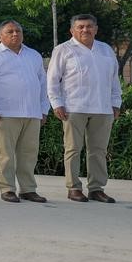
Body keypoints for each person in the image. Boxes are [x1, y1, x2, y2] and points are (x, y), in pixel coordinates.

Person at [47, 14, 122, 203]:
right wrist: (56, 103)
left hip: (103, 108)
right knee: (73, 149)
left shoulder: (105, 50)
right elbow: (53, 79)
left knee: (98, 150)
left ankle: (96, 189)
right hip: (74, 107)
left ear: (96, 29)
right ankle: (73, 188)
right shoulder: (63, 49)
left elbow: (114, 79)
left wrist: (115, 102)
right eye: (80, 27)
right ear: (72, 30)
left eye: (89, 26)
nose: (85, 30)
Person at [0, 20, 50, 203]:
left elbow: (43, 84)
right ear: (0, 36)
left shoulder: (33, 55)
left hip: (32, 113)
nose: (15, 34)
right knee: (5, 154)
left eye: (18, 31)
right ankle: (7, 188)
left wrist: (43, 109)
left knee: (29, 154)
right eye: (10, 31)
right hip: (4, 114)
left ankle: (28, 189)